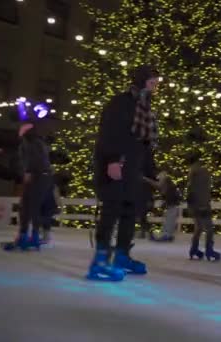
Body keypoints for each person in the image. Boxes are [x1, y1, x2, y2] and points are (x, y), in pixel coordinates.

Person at [88, 65, 160, 281]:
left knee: (130, 210)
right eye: (152, 80)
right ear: (141, 80)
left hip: (133, 169)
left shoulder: (145, 107)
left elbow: (145, 144)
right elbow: (110, 132)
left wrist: (152, 172)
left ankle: (121, 255)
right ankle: (99, 261)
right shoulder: (121, 103)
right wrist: (112, 160)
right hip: (116, 164)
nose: (156, 84)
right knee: (111, 209)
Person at [2, 123, 54, 251]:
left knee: (28, 206)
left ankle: (27, 236)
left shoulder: (31, 141)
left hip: (37, 176)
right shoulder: (36, 141)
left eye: (23, 127)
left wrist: (28, 171)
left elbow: (35, 158)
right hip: (42, 176)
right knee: (31, 206)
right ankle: (31, 236)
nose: (20, 129)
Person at [187, 155, 221, 261]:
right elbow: (204, 190)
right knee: (209, 228)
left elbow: (190, 192)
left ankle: (194, 249)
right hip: (203, 203)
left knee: (199, 228)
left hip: (194, 204)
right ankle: (209, 250)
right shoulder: (203, 173)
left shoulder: (191, 174)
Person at [146, 172, 181, 242]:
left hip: (172, 204)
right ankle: (168, 235)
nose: (159, 180)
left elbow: (158, 186)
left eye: (160, 178)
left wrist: (147, 179)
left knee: (169, 219)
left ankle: (167, 235)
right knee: (169, 219)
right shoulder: (168, 183)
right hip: (172, 204)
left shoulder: (166, 182)